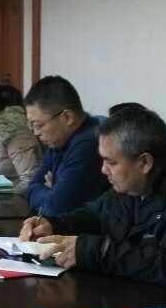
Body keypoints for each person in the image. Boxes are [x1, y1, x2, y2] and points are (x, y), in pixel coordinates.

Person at [19, 107, 166, 283]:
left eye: (111, 162)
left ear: (144, 163)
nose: (103, 170)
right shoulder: (134, 181)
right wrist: (54, 225)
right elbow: (97, 214)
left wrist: (91, 251)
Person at [22, 75, 109, 216]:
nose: (35, 133)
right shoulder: (58, 141)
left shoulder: (89, 144)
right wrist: (52, 192)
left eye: (38, 125)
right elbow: (31, 189)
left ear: (67, 117)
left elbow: (55, 208)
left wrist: (53, 193)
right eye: (31, 125)